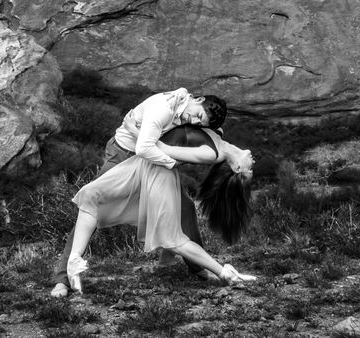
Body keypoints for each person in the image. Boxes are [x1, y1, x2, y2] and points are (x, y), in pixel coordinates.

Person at [50, 88, 228, 298]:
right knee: (93, 207)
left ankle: (198, 268)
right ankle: (62, 279)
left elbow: (204, 132)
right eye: (198, 116)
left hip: (151, 163)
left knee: (186, 207)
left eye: (200, 123)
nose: (194, 121)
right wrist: (171, 162)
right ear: (197, 99)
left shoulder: (185, 107)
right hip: (124, 155)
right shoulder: (164, 107)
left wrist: (212, 133)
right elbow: (144, 148)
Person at [64, 124, 256, 294]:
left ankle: (224, 273)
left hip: (157, 172)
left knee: (173, 239)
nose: (253, 163)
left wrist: (134, 129)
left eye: (250, 171)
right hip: (144, 164)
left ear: (237, 168)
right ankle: (74, 261)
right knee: (90, 194)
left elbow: (162, 148)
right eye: (251, 170)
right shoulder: (218, 135)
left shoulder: (213, 154)